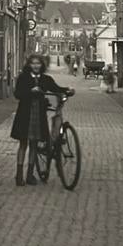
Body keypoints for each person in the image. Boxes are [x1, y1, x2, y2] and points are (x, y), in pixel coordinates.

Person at [11, 53, 74, 186]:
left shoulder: (46, 79)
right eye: (33, 63)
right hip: (25, 114)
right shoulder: (23, 78)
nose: (36, 66)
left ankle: (30, 175)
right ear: (29, 65)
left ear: (42, 65)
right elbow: (17, 94)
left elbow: (56, 88)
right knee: (23, 144)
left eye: (38, 63)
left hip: (39, 114)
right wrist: (31, 91)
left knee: (34, 144)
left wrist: (67, 90)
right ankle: (19, 175)